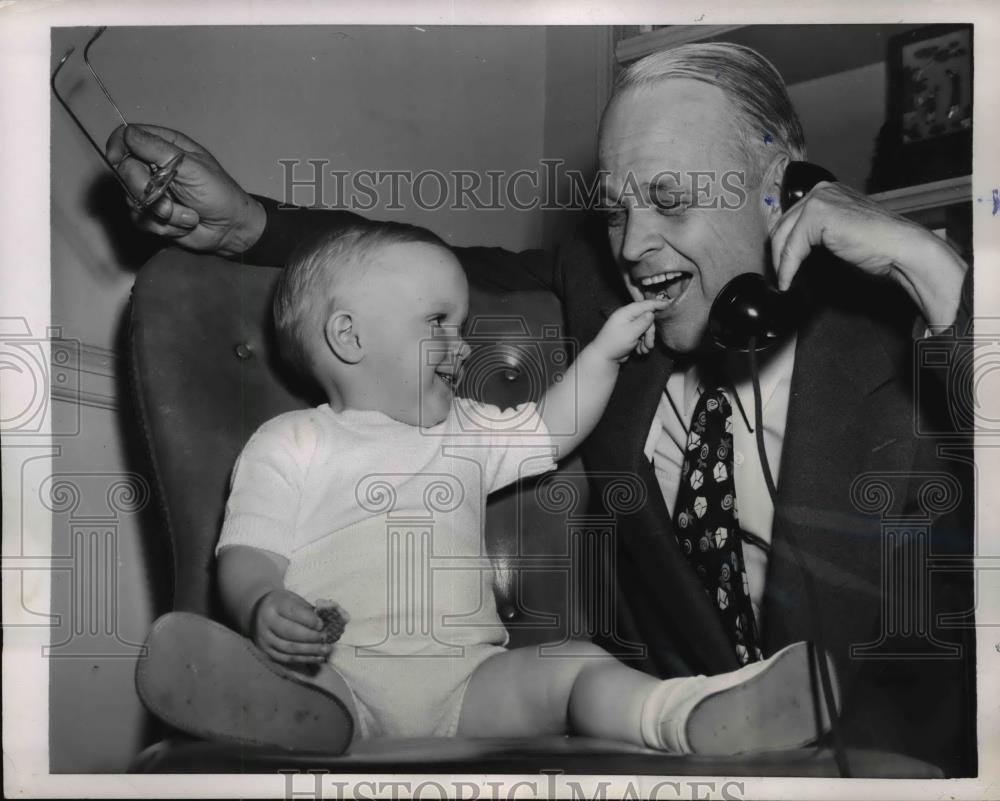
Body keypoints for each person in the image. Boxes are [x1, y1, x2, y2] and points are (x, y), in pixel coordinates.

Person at [108, 42, 975, 775]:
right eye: (616, 210)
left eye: (670, 198)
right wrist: (246, 226)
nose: (634, 247)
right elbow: (406, 272)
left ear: (781, 189)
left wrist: (939, 279)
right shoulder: (605, 293)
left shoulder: (905, 328)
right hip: (665, 760)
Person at [208, 219, 834, 750]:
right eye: (439, 322)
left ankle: (686, 718)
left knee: (575, 663)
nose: (461, 343)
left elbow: (551, 429)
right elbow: (248, 553)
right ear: (349, 336)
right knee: (294, 686)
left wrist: (605, 354)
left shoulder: (464, 429)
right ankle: (273, 716)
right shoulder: (290, 441)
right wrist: (262, 602)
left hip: (469, 686)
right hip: (338, 672)